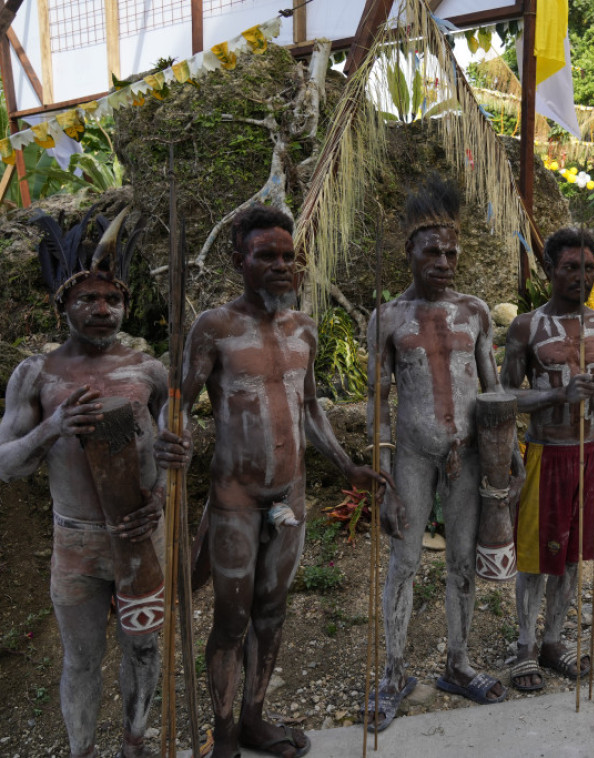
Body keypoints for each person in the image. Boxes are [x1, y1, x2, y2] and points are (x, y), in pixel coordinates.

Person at [155, 205, 389, 758]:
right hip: (235, 500)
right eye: (267, 256)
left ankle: (255, 718)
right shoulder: (215, 328)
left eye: (290, 256)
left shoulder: (303, 328)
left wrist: (346, 465)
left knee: (272, 611)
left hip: (291, 498)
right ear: (240, 261)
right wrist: (174, 441)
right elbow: (181, 405)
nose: (283, 265)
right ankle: (224, 731)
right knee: (232, 619)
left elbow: (310, 409)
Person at [0, 209, 166, 758]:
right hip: (76, 542)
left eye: (112, 300)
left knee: (144, 651)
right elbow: (6, 464)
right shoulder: (37, 375)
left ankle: (134, 743)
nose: (102, 310)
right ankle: (82, 752)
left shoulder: (149, 371)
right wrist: (53, 428)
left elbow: (167, 447)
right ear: (62, 305)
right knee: (80, 657)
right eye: (87, 300)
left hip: (141, 537)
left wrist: (163, 487)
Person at [366, 175, 513, 730]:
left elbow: (493, 392)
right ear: (410, 251)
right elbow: (378, 403)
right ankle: (393, 671)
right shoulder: (387, 319)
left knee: (460, 561)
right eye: (433, 250)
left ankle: (458, 661)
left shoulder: (474, 312)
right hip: (412, 456)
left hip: (468, 455)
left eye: (452, 251)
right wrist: (383, 479)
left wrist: (507, 454)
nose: (444, 260)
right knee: (403, 562)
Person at [501, 227, 594, 691]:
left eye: (589, 267)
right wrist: (556, 393)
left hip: (592, 452)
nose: (582, 276)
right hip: (546, 454)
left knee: (573, 556)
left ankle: (553, 642)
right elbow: (504, 394)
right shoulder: (526, 327)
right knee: (536, 556)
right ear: (550, 269)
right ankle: (525, 648)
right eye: (571, 267)